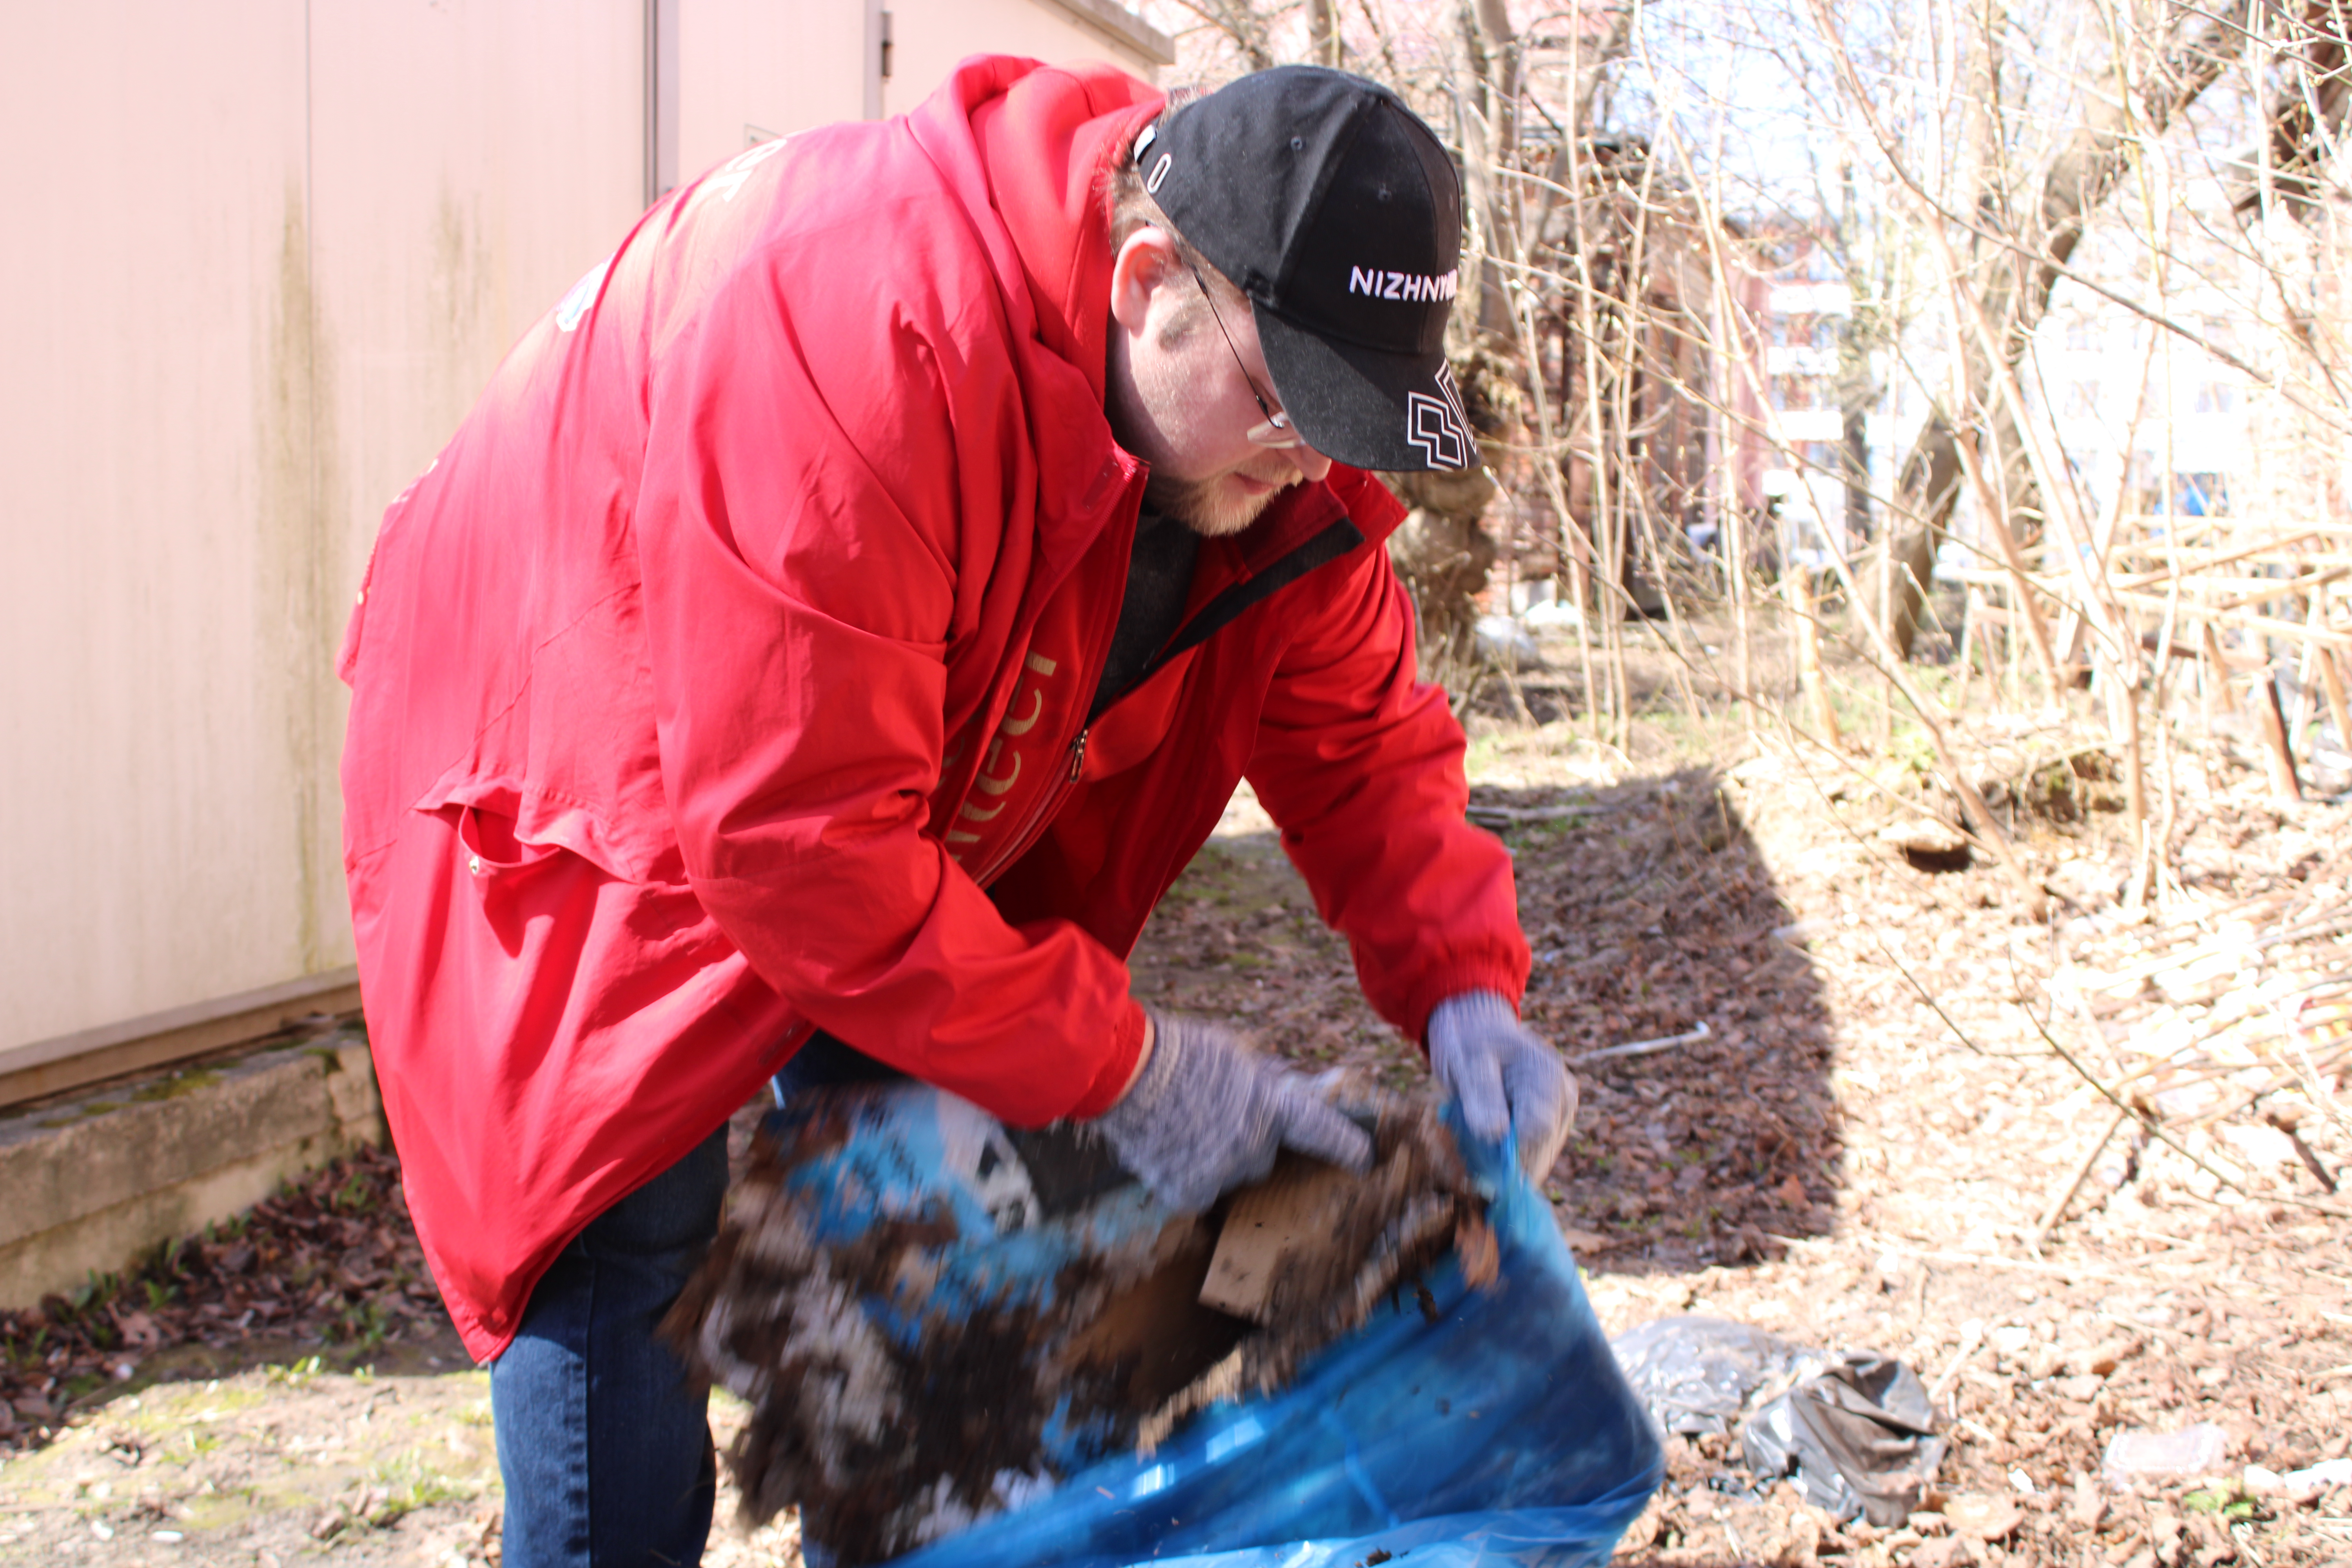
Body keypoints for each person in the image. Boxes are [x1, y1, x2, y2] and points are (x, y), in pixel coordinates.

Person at [337, 55, 1575, 1568]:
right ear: (1144, 283)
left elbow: (1366, 742)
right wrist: (1135, 1070)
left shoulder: (1270, 471)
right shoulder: (859, 327)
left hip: (861, 767)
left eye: (1352, 412)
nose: (1312, 450)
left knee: (949, 1196)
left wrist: (1466, 991)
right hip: (579, 741)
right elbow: (799, 846)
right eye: (1283, 398)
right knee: (622, 1246)